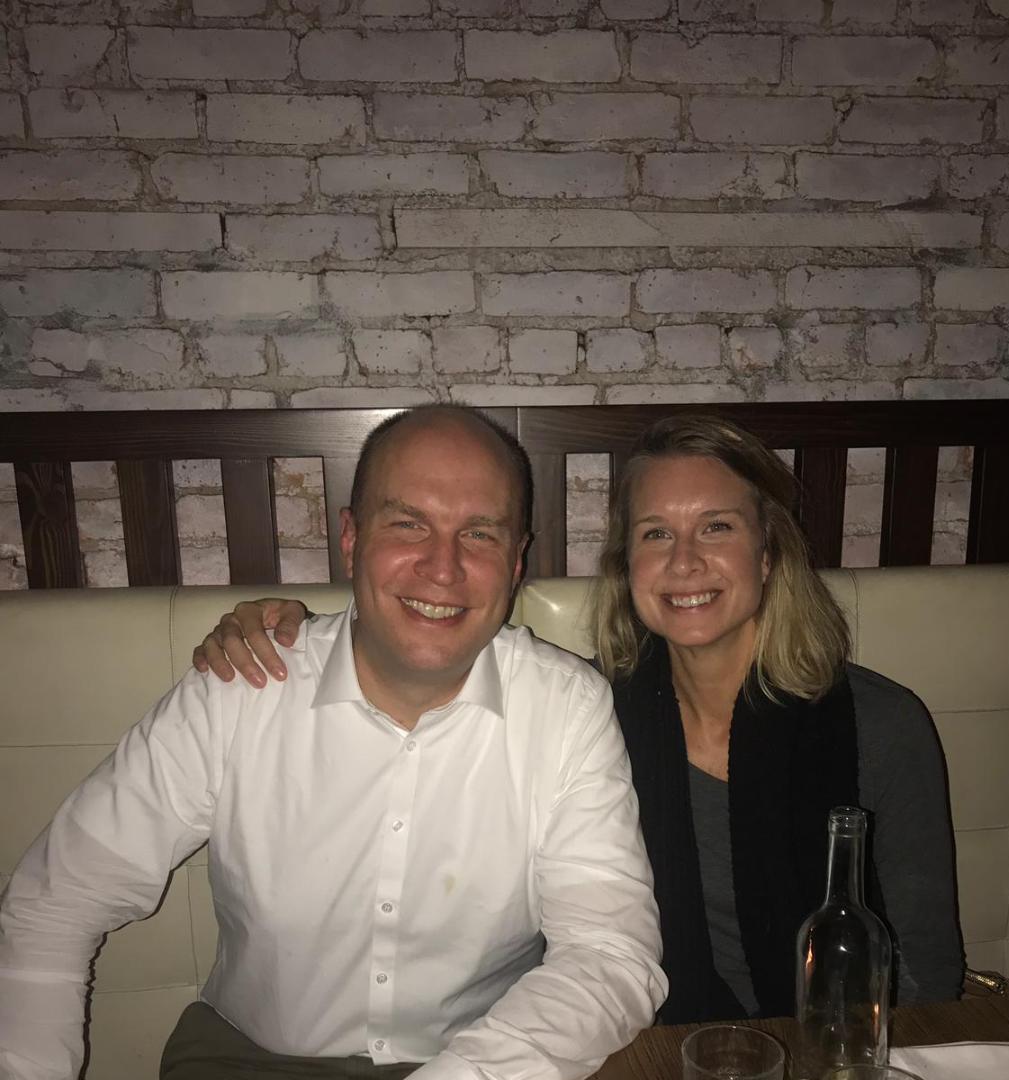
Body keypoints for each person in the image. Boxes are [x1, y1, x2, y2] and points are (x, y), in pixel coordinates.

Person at [192, 414, 965, 1026]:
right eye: (656, 533)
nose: (685, 561)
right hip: (643, 1050)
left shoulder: (879, 726)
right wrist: (300, 631)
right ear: (627, 565)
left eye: (717, 528)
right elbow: (419, 646)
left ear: (768, 554)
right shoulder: (587, 713)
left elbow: (928, 976)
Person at [0, 405, 666, 1080]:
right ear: (351, 538)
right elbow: (55, 900)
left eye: (479, 534)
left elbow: (609, 954)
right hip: (249, 1061)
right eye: (408, 524)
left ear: (516, 561)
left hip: (481, 1063)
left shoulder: (566, 708)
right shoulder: (242, 685)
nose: (443, 567)